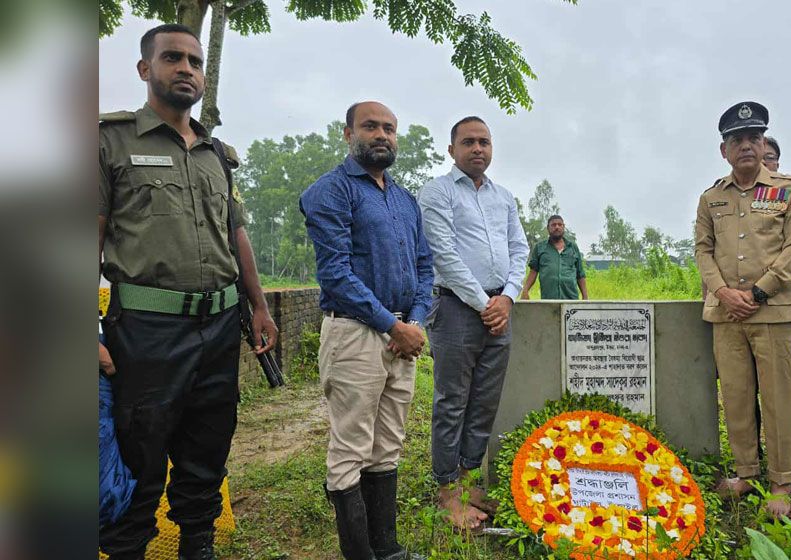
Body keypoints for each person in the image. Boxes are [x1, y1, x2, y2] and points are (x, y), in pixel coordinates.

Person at [98, 24, 278, 559]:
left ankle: (198, 547)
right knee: (139, 457)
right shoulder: (111, 140)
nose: (186, 69)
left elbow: (236, 233)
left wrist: (261, 306)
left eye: (195, 62)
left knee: (207, 450)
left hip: (221, 328)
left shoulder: (216, 153)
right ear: (144, 69)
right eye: (172, 58)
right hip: (147, 334)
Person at [299, 101, 432, 560]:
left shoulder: (403, 199)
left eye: (390, 128)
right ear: (347, 133)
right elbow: (335, 274)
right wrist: (392, 324)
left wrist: (412, 323)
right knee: (351, 445)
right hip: (355, 334)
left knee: (388, 444)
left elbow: (425, 267)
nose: (382, 135)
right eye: (371, 126)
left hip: (402, 338)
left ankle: (387, 550)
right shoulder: (330, 192)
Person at [694, 101, 791, 518]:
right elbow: (703, 250)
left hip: (774, 311)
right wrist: (724, 292)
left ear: (764, 146)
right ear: (723, 150)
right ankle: (746, 472)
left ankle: (781, 481)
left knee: (779, 398)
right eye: (736, 139)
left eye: (753, 138)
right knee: (738, 395)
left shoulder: (789, 190)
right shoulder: (711, 197)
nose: (746, 145)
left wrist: (758, 294)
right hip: (726, 314)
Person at [417, 116, 529, 530]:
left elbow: (519, 249)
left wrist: (508, 297)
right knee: (453, 402)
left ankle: (468, 480)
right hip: (456, 311)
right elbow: (443, 253)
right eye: (468, 142)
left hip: (499, 309)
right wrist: (487, 303)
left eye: (484, 141)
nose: (477, 148)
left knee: (484, 401)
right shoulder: (438, 191)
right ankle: (447, 491)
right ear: (452, 150)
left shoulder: (504, 197)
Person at [521, 214, 589, 300]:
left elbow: (580, 274)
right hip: (548, 301)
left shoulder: (572, 247)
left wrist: (585, 297)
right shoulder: (540, 247)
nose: (557, 227)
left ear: (563, 227)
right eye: (553, 225)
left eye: (560, 225)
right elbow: (533, 271)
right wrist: (525, 291)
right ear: (548, 228)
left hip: (571, 300)